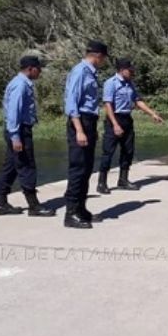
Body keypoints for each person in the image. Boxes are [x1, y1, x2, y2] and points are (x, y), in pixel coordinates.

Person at [0, 55, 55, 217]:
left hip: (18, 129)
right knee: (27, 165)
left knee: (11, 167)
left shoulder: (20, 83)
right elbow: (14, 112)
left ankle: (1, 203)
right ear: (30, 69)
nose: (40, 72)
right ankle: (33, 206)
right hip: (19, 130)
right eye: (38, 69)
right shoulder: (20, 85)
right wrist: (15, 137)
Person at [96, 58, 164, 194]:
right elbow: (107, 105)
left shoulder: (130, 84)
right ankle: (102, 183)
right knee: (108, 153)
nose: (132, 73)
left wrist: (152, 114)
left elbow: (138, 101)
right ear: (121, 70)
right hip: (114, 119)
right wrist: (115, 125)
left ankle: (123, 180)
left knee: (128, 151)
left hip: (127, 119)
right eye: (130, 70)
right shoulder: (111, 83)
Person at [62, 40, 108, 229]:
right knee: (78, 169)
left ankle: (81, 208)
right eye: (104, 58)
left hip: (89, 121)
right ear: (98, 56)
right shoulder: (80, 71)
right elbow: (72, 102)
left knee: (87, 168)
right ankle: (71, 213)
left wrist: (91, 128)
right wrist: (79, 130)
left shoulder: (91, 72)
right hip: (79, 122)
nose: (104, 62)